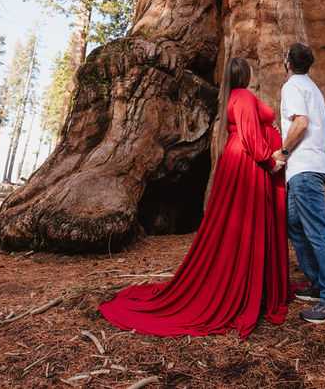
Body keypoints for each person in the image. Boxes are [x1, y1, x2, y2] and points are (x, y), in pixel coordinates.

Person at [98, 57, 289, 338]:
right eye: (249, 69)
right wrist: (271, 161)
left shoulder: (231, 98)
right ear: (243, 75)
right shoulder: (244, 97)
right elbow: (250, 134)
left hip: (237, 163)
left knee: (236, 228)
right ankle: (243, 284)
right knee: (245, 226)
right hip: (249, 164)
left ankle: (246, 278)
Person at [272, 43, 325, 324]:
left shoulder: (292, 86)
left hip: (304, 168)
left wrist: (283, 152)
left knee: (316, 230)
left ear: (288, 63)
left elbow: (300, 123)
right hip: (307, 169)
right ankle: (318, 284)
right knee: (295, 224)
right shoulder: (311, 87)